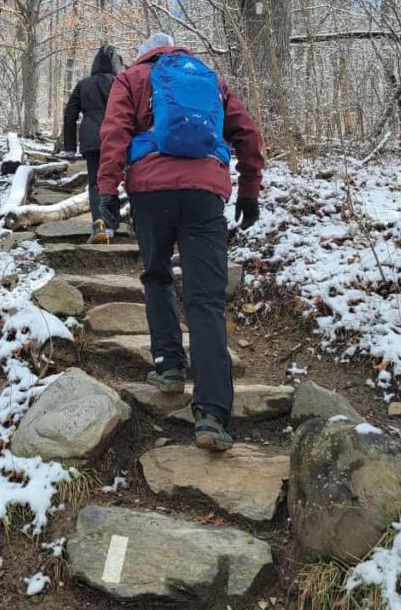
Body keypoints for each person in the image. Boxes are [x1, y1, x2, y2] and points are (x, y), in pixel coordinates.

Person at [97, 32, 264, 451]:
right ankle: (211, 416)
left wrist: (106, 193)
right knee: (205, 300)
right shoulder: (210, 79)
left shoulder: (132, 78)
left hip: (150, 192)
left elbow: (115, 134)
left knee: (156, 276)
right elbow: (249, 135)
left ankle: (169, 367)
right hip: (205, 192)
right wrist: (249, 192)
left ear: (143, 54)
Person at [63, 44, 125, 243]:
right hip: (116, 137)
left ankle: (99, 223)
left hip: (92, 140)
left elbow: (70, 114)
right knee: (118, 180)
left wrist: (70, 147)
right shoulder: (120, 83)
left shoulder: (84, 84)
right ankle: (113, 226)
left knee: (96, 183)